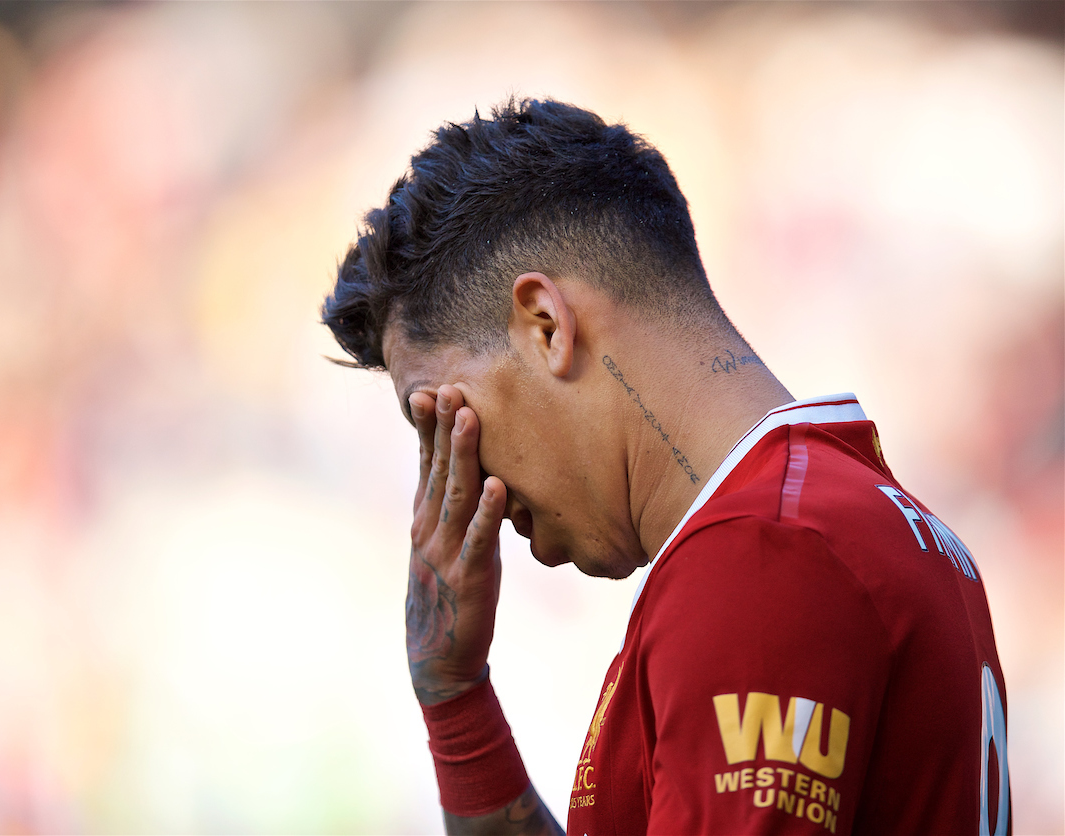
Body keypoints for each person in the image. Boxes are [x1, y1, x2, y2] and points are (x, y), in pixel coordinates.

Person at [321, 98, 1011, 836]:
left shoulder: (764, 555)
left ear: (546, 326)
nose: (449, 478)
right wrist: (457, 706)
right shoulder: (843, 518)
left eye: (440, 418)